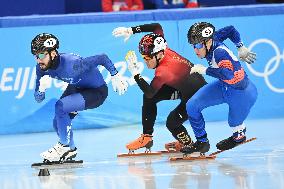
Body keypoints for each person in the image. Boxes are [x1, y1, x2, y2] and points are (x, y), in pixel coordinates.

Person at [31, 33, 128, 162]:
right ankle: (70, 150)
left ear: (53, 53)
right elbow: (38, 99)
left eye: (41, 55)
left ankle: (63, 146)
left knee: (60, 106)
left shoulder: (73, 64)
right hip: (76, 87)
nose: (38, 60)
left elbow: (102, 57)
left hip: (96, 92)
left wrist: (115, 75)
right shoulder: (41, 69)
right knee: (57, 123)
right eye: (36, 56)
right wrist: (41, 90)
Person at [113, 23, 207, 152]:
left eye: (147, 57)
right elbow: (157, 26)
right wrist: (131, 30)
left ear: (158, 55)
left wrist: (136, 74)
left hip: (196, 94)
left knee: (172, 122)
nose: (145, 61)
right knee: (148, 98)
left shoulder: (163, 71)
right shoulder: (163, 48)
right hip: (182, 86)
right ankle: (147, 137)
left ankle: (188, 143)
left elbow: (150, 92)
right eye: (143, 57)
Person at [181, 22, 258, 155]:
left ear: (208, 41)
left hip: (241, 93)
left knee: (234, 123)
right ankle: (202, 142)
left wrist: (204, 70)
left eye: (199, 45)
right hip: (224, 86)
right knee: (192, 105)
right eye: (193, 46)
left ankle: (238, 136)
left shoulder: (220, 52)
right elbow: (231, 30)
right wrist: (240, 46)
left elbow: (228, 74)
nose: (196, 50)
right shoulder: (214, 38)